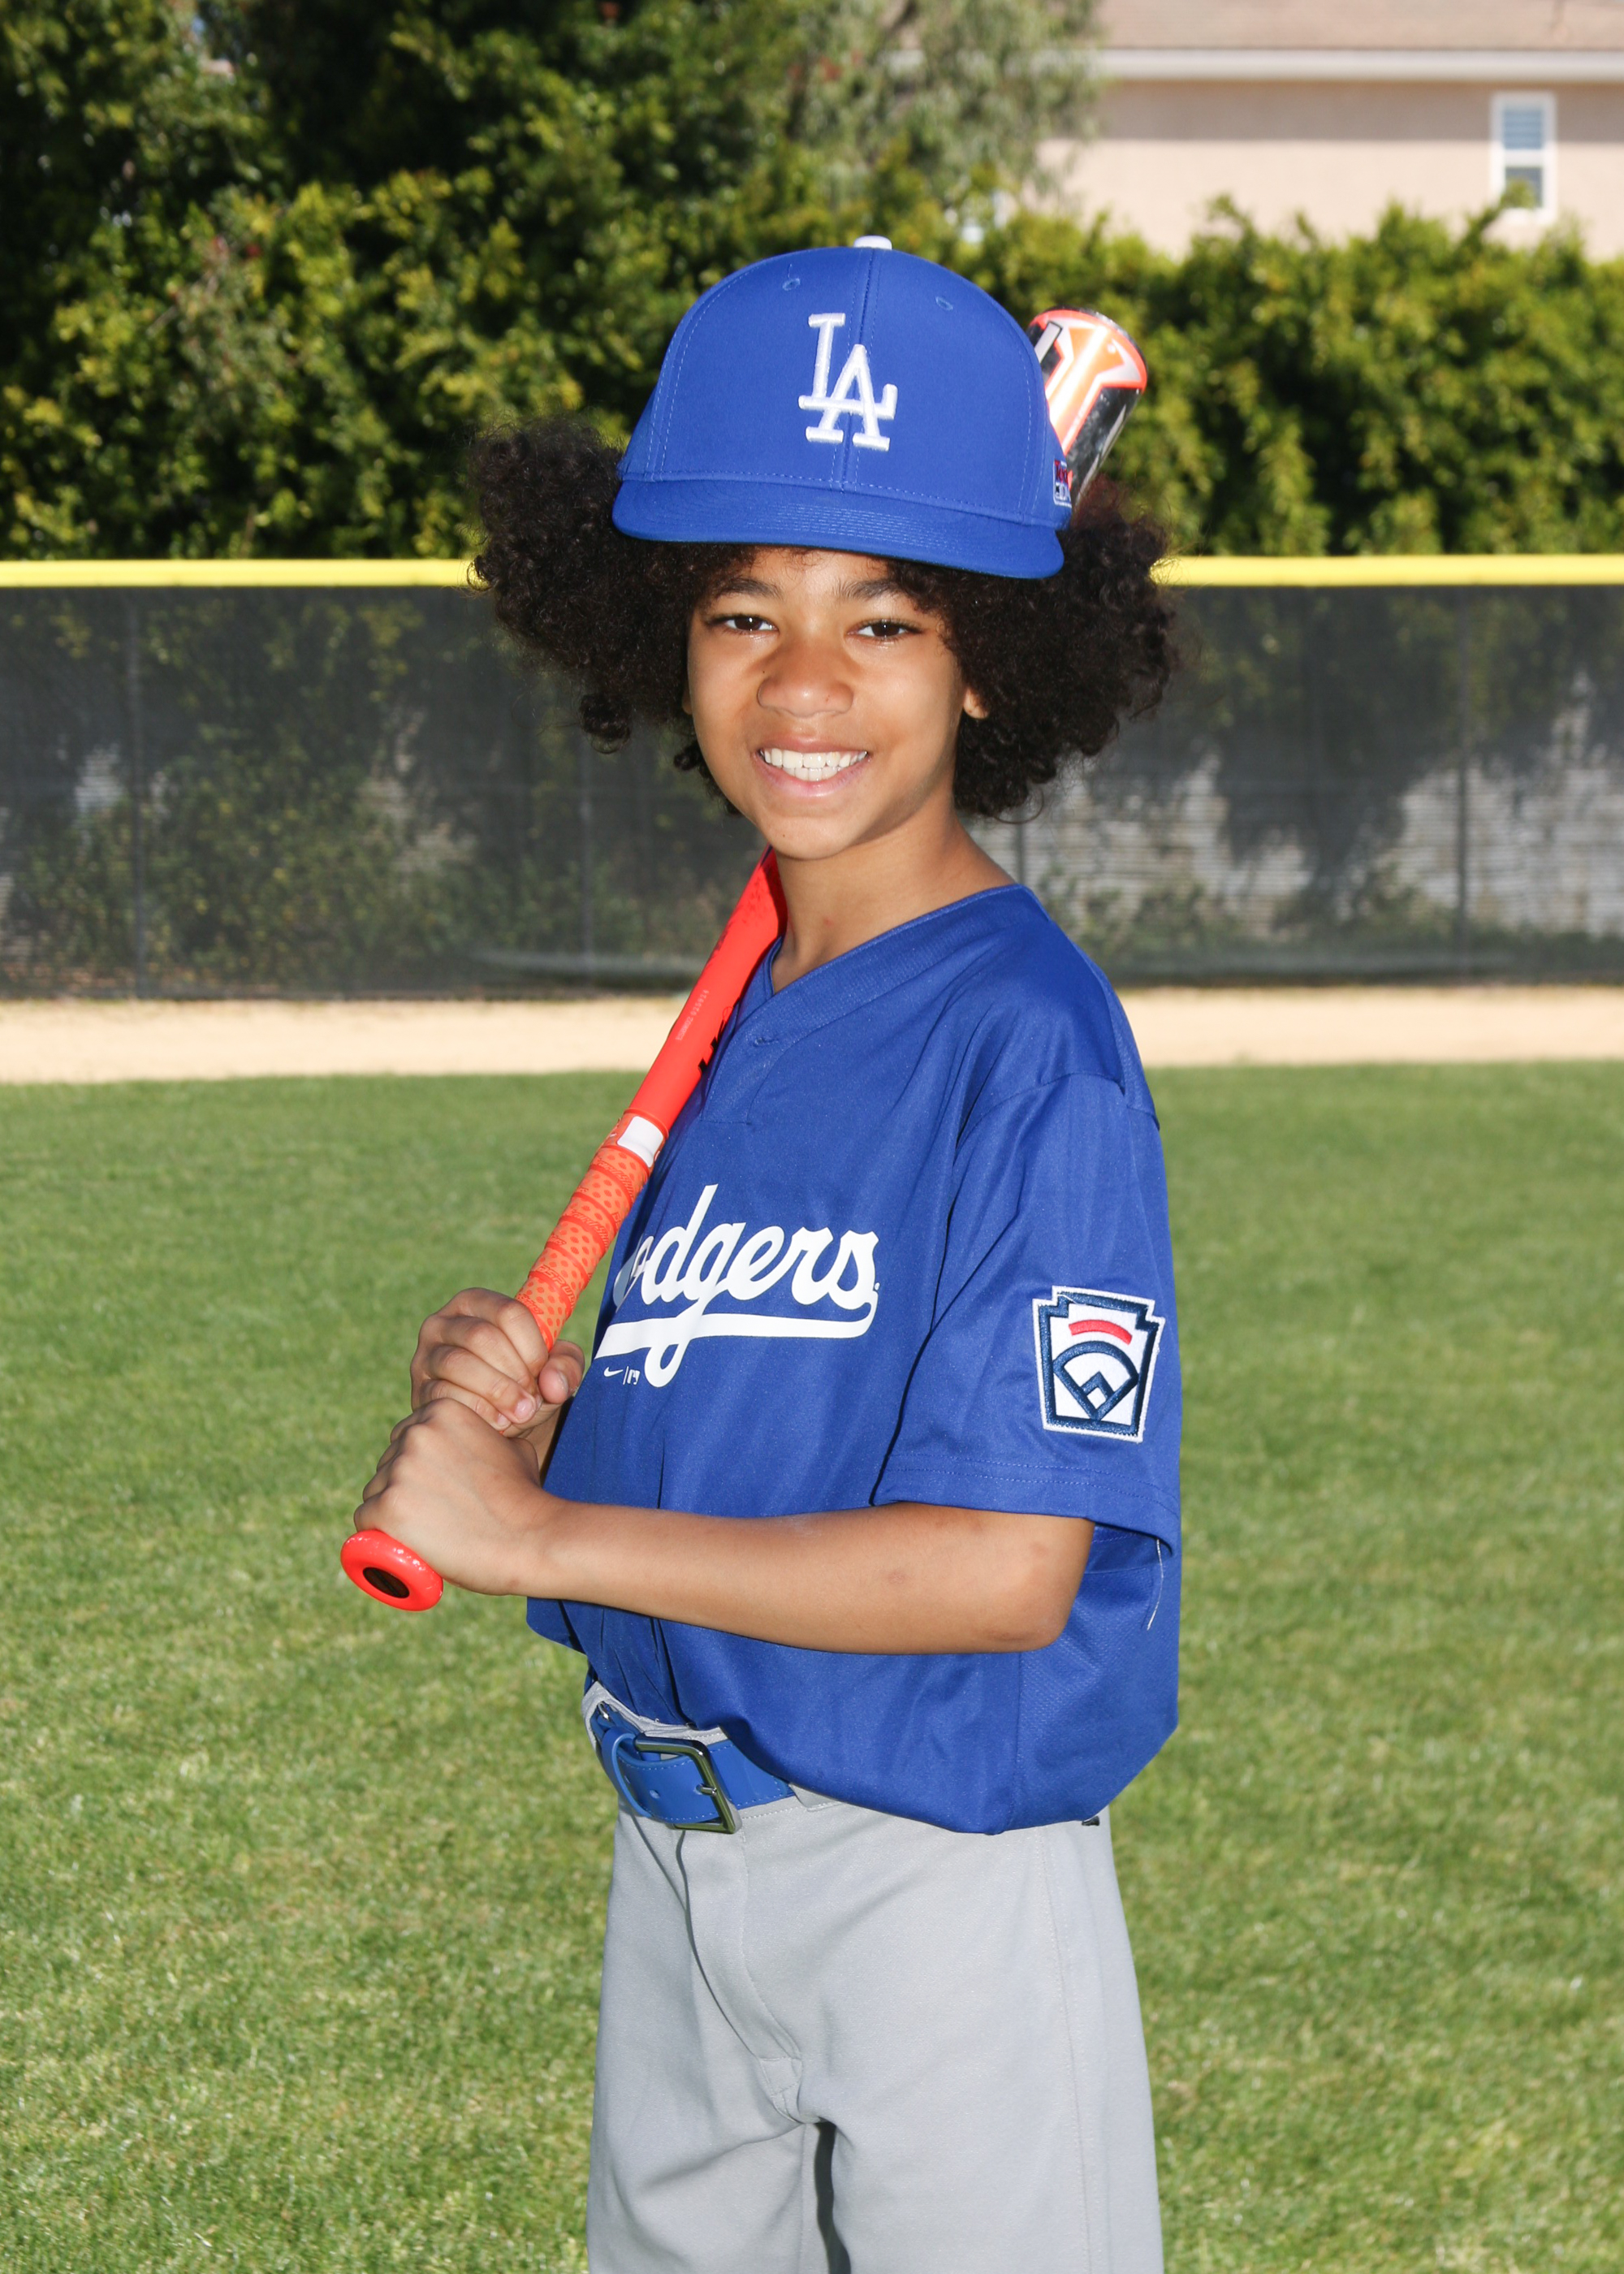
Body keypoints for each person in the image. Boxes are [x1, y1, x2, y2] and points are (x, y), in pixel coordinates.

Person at [357, 239, 1181, 2272]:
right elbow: (768, 1434)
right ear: (665, 636)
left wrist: (537, 1537)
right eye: (744, 611)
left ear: (985, 660)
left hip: (936, 1884)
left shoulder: (1029, 1039)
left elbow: (1003, 1567)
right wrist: (559, 1440)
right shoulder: (742, 1020)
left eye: (881, 618)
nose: (802, 685)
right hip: (679, 1873)